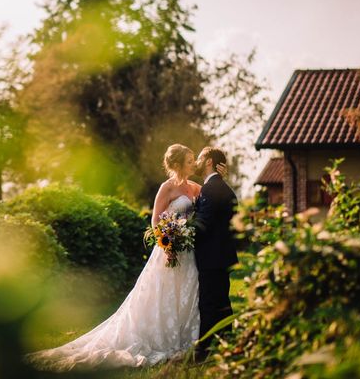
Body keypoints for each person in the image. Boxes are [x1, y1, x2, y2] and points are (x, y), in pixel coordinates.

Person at [24, 144, 229, 372]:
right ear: (179, 164)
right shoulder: (167, 188)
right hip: (169, 251)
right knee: (161, 296)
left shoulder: (197, 188)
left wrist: (220, 178)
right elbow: (155, 221)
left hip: (190, 254)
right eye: (190, 161)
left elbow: (210, 208)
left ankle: (186, 342)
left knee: (188, 295)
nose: (194, 164)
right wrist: (167, 242)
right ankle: (157, 339)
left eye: (195, 160)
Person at [192, 146, 239, 362]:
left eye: (200, 157)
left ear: (209, 161)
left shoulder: (210, 190)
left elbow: (203, 225)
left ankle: (203, 352)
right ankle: (230, 345)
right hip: (223, 257)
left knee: (209, 304)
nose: (197, 162)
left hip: (211, 258)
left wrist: (181, 233)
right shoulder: (224, 188)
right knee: (222, 303)